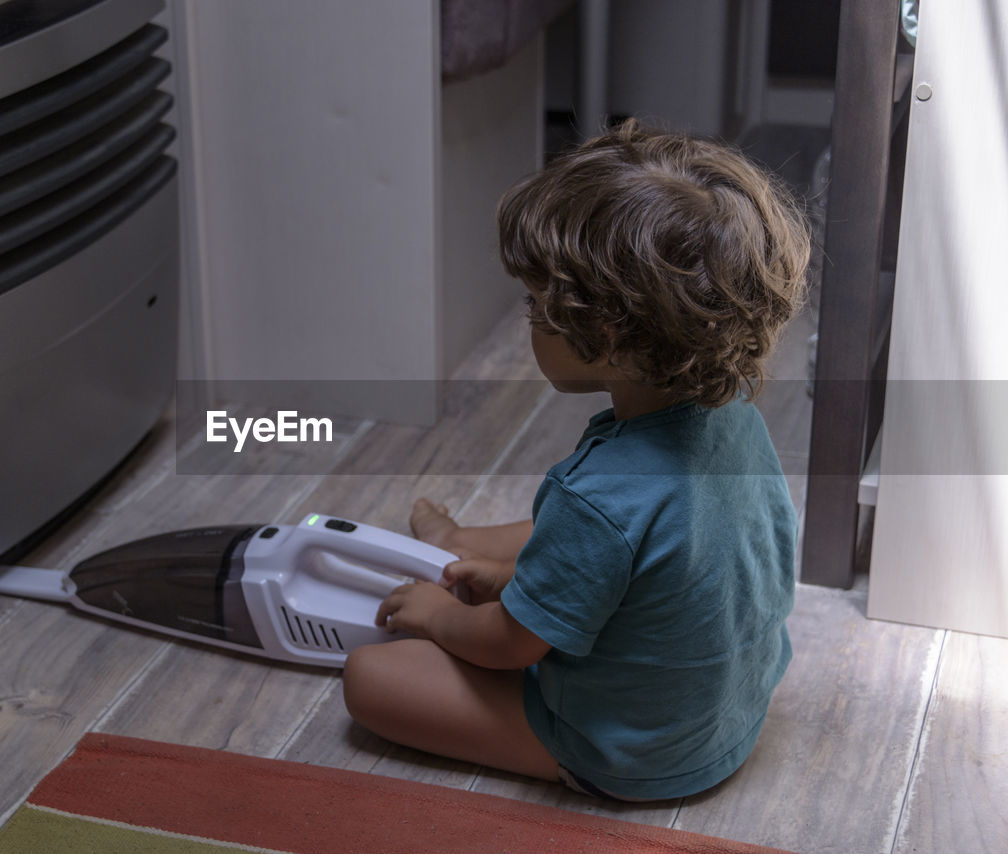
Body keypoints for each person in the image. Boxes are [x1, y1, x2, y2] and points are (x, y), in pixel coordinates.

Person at [342, 119, 810, 801]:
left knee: (371, 676)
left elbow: (508, 645)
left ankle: (571, 752)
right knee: (564, 558)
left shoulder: (600, 496)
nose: (528, 314)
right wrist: (512, 576)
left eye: (537, 305)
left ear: (609, 335)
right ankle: (475, 551)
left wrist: (436, 616)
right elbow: (657, 557)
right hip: (730, 717)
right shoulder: (734, 417)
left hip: (637, 751)